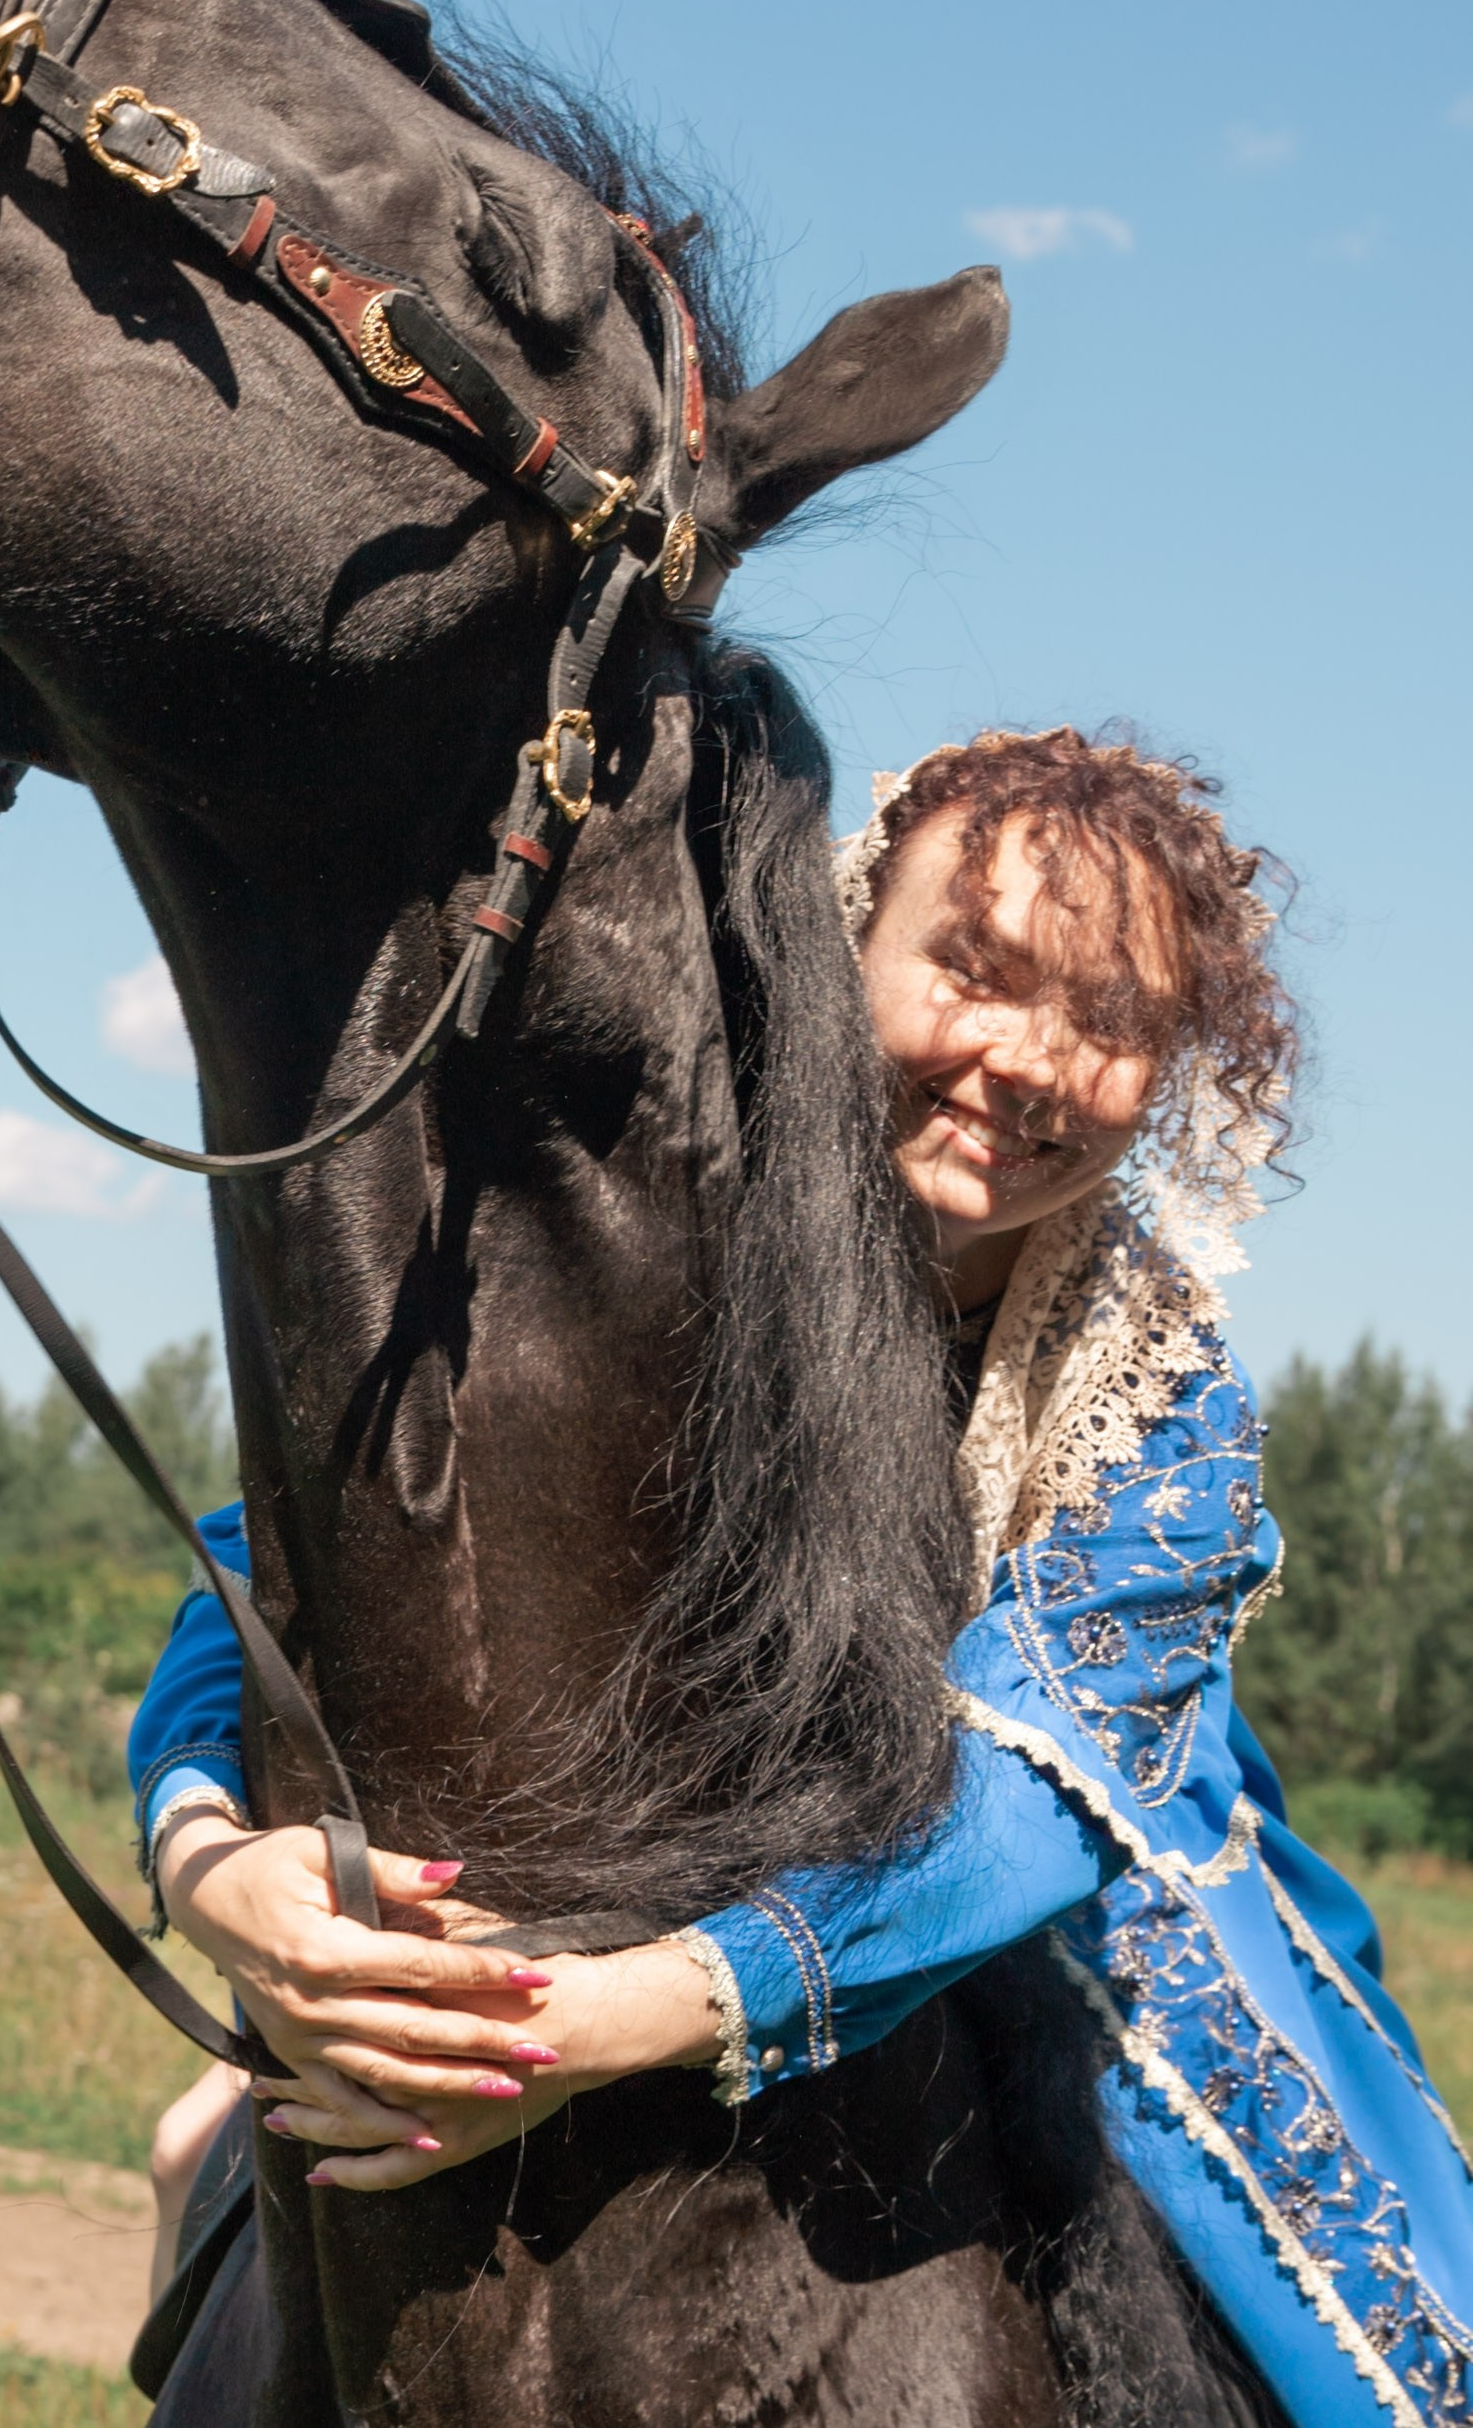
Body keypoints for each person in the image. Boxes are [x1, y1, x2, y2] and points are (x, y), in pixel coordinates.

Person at [128, 728, 1473, 2423]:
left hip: (1072, 1872)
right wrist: (204, 1856)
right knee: (206, 2147)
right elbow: (276, 1562)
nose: (1030, 1060)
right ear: (848, 950)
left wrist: (607, 2016)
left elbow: (1016, 1812)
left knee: (1384, 2340)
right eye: (973, 968)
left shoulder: (1161, 1397)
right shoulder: (631, 1237)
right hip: (658, 1805)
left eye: (1112, 1022)